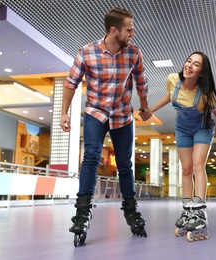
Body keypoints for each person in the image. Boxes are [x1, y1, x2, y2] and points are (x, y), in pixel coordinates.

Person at [60, 7, 152, 242]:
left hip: (122, 115)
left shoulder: (133, 53)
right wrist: (64, 113)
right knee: (91, 156)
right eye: (128, 29)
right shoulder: (87, 52)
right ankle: (82, 211)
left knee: (124, 164)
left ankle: (131, 211)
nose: (132, 33)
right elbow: (71, 83)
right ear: (114, 30)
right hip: (96, 112)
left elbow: (141, 82)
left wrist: (144, 107)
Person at [147, 51, 216, 237]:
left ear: (201, 73)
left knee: (197, 165)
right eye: (188, 61)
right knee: (186, 169)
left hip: (202, 128)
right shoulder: (172, 79)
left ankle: (200, 211)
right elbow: (169, 96)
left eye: (196, 64)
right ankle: (188, 211)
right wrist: (151, 110)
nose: (189, 65)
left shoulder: (206, 93)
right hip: (182, 128)